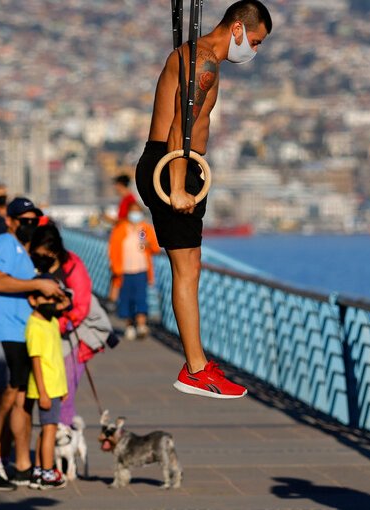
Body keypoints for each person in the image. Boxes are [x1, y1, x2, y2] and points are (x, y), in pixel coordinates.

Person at [135, 0, 272, 399]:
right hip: (172, 162)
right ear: (237, 29)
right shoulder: (203, 61)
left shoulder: (194, 55)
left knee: (190, 266)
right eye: (257, 41)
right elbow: (182, 125)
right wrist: (177, 185)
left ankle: (197, 363)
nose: (255, 50)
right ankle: (195, 368)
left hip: (174, 162)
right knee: (188, 271)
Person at [0, 197, 64, 492]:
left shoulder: (25, 253)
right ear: (10, 221)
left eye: (33, 221)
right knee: (4, 398)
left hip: (21, 334)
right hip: (4, 333)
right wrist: (38, 284)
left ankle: (21, 465)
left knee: (20, 400)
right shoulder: (3, 242)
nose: (28, 226)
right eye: (23, 221)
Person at [28, 223, 95, 429]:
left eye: (45, 254)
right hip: (41, 336)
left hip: (69, 339)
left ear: (55, 250)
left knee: (64, 395)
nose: (41, 259)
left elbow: (82, 304)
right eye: (37, 255)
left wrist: (58, 322)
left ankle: (61, 445)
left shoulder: (73, 265)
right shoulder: (31, 266)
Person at [25, 275, 72, 490]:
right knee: (50, 430)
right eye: (45, 298)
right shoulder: (35, 326)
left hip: (55, 386)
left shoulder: (51, 320)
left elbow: (66, 304)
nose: (51, 302)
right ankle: (46, 471)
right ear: (32, 300)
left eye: (53, 298)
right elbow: (36, 362)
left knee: (47, 429)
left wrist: (58, 294)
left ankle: (38, 470)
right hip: (46, 388)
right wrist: (43, 393)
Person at [108, 203, 160, 340]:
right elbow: (113, 249)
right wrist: (114, 267)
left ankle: (141, 325)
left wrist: (149, 245)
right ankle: (129, 325)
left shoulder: (145, 229)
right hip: (124, 270)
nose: (135, 215)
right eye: (133, 212)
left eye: (137, 212)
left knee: (141, 297)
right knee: (126, 299)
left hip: (141, 269)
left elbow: (155, 247)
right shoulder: (120, 229)